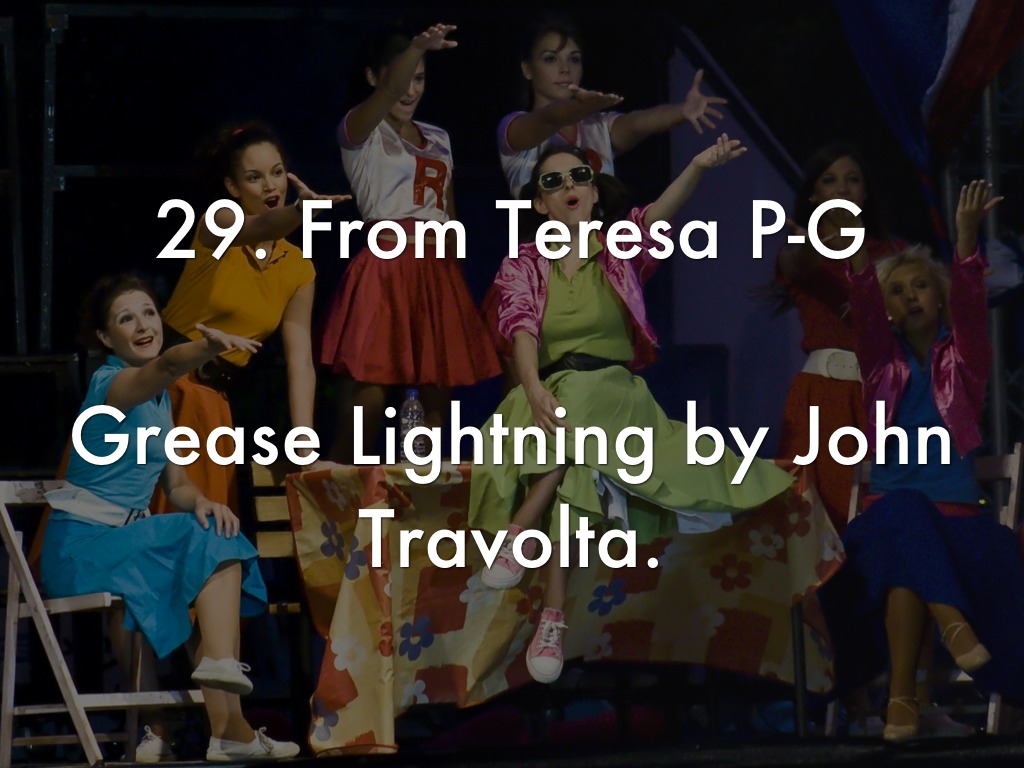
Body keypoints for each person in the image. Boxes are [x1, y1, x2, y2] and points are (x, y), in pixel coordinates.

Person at [469, 137, 803, 685]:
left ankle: (519, 536)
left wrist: (697, 165)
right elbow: (520, 327)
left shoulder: (617, 248)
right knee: (572, 457)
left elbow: (658, 215)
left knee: (579, 410)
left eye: (579, 176)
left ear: (595, 192)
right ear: (539, 205)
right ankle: (551, 617)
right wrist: (532, 389)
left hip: (615, 396)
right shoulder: (522, 265)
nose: (570, 186)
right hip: (547, 396)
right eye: (553, 181)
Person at [41, 274, 299, 760]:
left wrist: (200, 501)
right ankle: (220, 688)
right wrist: (208, 347)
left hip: (124, 542)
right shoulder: (112, 384)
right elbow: (165, 365)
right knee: (212, 542)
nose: (143, 325)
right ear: (106, 337)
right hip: (81, 548)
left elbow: (176, 483)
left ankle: (229, 725)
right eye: (126, 319)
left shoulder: (160, 405)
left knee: (215, 526)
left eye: (149, 313)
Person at [820, 181, 1024, 741]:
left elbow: (972, 307)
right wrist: (857, 255)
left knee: (908, 558)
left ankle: (901, 701)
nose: (910, 296)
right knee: (904, 516)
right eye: (897, 290)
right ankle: (952, 625)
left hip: (957, 525)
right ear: (886, 309)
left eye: (920, 286)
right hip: (892, 518)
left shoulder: (966, 361)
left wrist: (965, 238)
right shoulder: (878, 365)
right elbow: (862, 310)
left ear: (938, 298)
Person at [319, 23, 500, 462]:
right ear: (373, 76)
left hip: (436, 270)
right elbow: (386, 96)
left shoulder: (439, 137)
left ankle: (422, 496)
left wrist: (453, 282)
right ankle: (347, 494)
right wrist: (418, 46)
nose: (410, 89)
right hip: (387, 265)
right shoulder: (359, 130)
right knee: (369, 394)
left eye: (420, 78)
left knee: (435, 402)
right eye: (403, 76)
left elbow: (448, 213)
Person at [154, 121, 346, 514]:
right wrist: (301, 210)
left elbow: (300, 363)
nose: (270, 186)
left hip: (213, 401)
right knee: (154, 516)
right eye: (254, 178)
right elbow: (260, 226)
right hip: (162, 387)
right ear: (232, 187)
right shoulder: (219, 222)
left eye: (277, 173)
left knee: (208, 523)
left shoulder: (297, 269)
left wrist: (304, 446)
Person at [774, 143, 906, 535]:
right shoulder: (802, 250)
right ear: (813, 196)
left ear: (865, 193)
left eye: (852, 180)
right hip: (824, 393)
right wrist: (813, 243)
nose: (842, 188)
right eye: (830, 180)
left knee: (884, 509)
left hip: (887, 394)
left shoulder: (894, 253)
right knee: (818, 517)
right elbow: (795, 262)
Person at [498, 13, 726, 197]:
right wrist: (581, 107)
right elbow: (549, 118)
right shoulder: (514, 127)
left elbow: (637, 122)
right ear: (527, 69)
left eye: (574, 59)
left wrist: (682, 110)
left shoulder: (598, 126)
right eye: (551, 58)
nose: (565, 68)